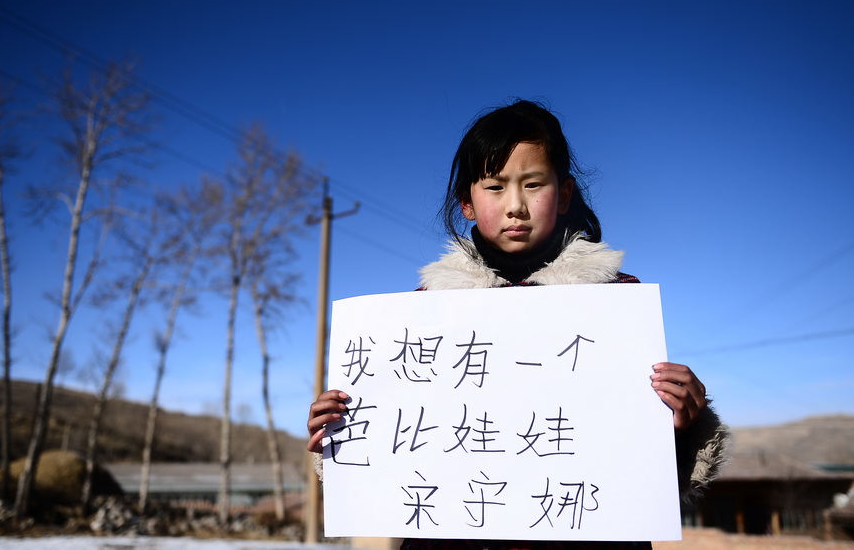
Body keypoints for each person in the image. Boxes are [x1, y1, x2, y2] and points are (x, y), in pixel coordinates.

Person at [307, 99, 730, 550]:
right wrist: (342, 432)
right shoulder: (423, 316)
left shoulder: (615, 303)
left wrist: (682, 423)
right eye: (494, 186)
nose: (516, 206)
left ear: (564, 194)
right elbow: (399, 454)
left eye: (533, 184)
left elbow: (637, 468)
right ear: (467, 203)